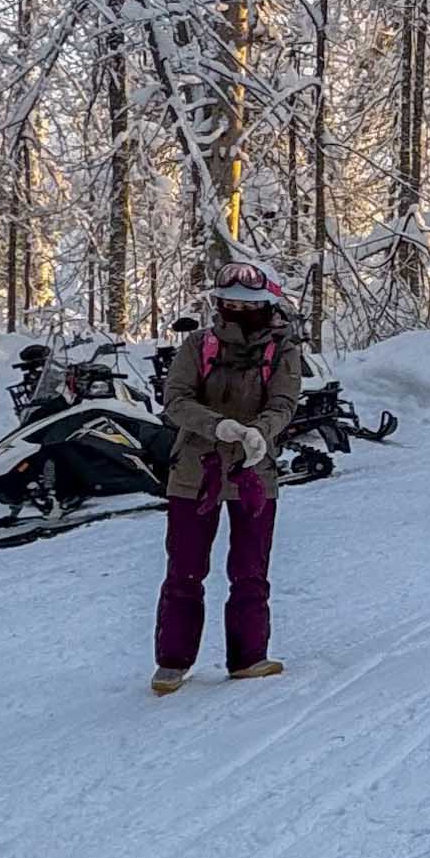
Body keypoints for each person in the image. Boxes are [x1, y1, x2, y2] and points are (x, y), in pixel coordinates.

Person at [152, 263, 305, 693]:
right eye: (229, 304)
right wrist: (217, 426)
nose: (237, 312)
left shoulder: (284, 350)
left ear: (268, 306)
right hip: (193, 471)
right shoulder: (197, 345)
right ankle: (172, 662)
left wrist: (259, 432)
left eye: (247, 306)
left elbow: (284, 403)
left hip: (255, 471)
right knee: (184, 570)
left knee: (250, 570)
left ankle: (249, 657)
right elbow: (175, 400)